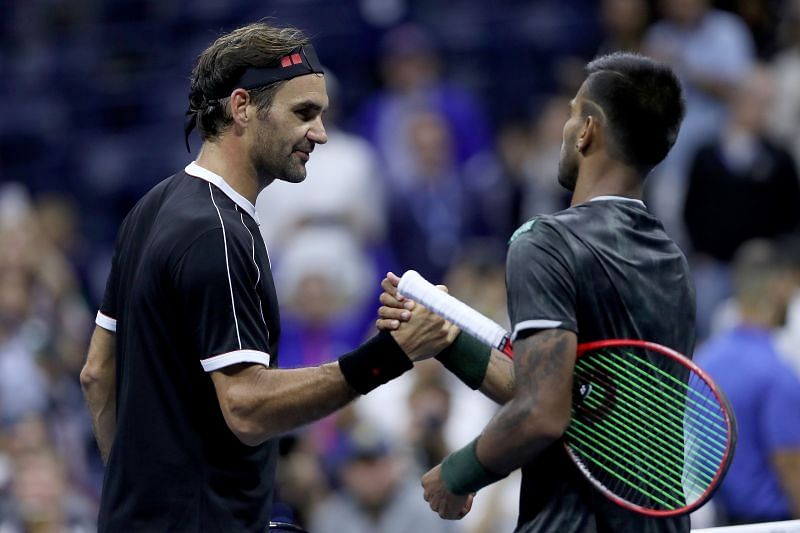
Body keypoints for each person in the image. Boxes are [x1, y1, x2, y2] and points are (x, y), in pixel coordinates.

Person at [79, 22, 453, 532]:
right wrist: (389, 355)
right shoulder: (217, 233)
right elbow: (247, 407)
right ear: (241, 108)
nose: (319, 133)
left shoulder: (153, 205)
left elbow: (97, 374)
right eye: (304, 113)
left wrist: (136, 497)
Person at [380, 52, 694, 532]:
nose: (566, 129)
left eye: (572, 113)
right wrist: (447, 338)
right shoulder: (673, 261)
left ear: (588, 130)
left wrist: (458, 473)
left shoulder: (545, 241)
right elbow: (575, 400)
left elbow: (543, 411)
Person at [696, 239, 800, 524]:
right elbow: (793, 474)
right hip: (771, 524)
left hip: (717, 520)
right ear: (778, 289)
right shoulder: (779, 375)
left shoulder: (703, 363)